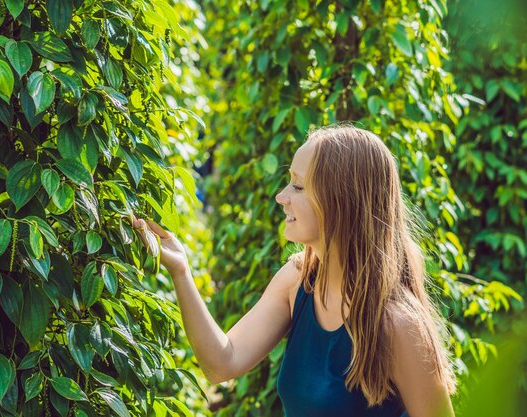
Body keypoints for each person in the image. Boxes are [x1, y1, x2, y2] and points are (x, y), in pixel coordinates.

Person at [132, 126, 456, 417]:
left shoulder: (398, 323)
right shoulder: (298, 281)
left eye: (298, 187)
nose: (281, 196)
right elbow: (222, 363)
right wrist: (181, 271)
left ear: (341, 200)